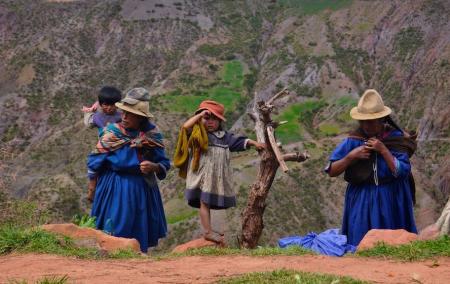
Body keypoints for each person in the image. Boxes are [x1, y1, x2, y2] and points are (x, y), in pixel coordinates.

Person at [325, 89, 417, 246]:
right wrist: (351, 157)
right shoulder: (354, 140)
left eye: (371, 121)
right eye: (363, 121)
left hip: (392, 195)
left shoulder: (396, 140)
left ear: (382, 119)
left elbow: (402, 171)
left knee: (392, 243)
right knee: (360, 241)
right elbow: (332, 170)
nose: (366, 125)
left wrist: (383, 150)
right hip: (362, 197)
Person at [87, 88, 169, 252]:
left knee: (138, 227)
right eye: (123, 113)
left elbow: (164, 162)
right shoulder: (112, 133)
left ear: (140, 118)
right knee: (115, 226)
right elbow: (95, 161)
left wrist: (154, 166)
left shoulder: (152, 135)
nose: (123, 117)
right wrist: (92, 188)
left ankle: (135, 263)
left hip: (142, 188)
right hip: (114, 185)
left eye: (129, 114)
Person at [174, 100, 265, 244]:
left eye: (214, 119)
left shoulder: (224, 137)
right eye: (207, 118)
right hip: (202, 174)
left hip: (215, 177)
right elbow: (185, 127)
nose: (210, 122)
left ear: (220, 122)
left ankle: (211, 230)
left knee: (208, 202)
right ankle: (208, 232)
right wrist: (200, 115)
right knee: (204, 201)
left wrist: (255, 144)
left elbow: (240, 141)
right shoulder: (197, 134)